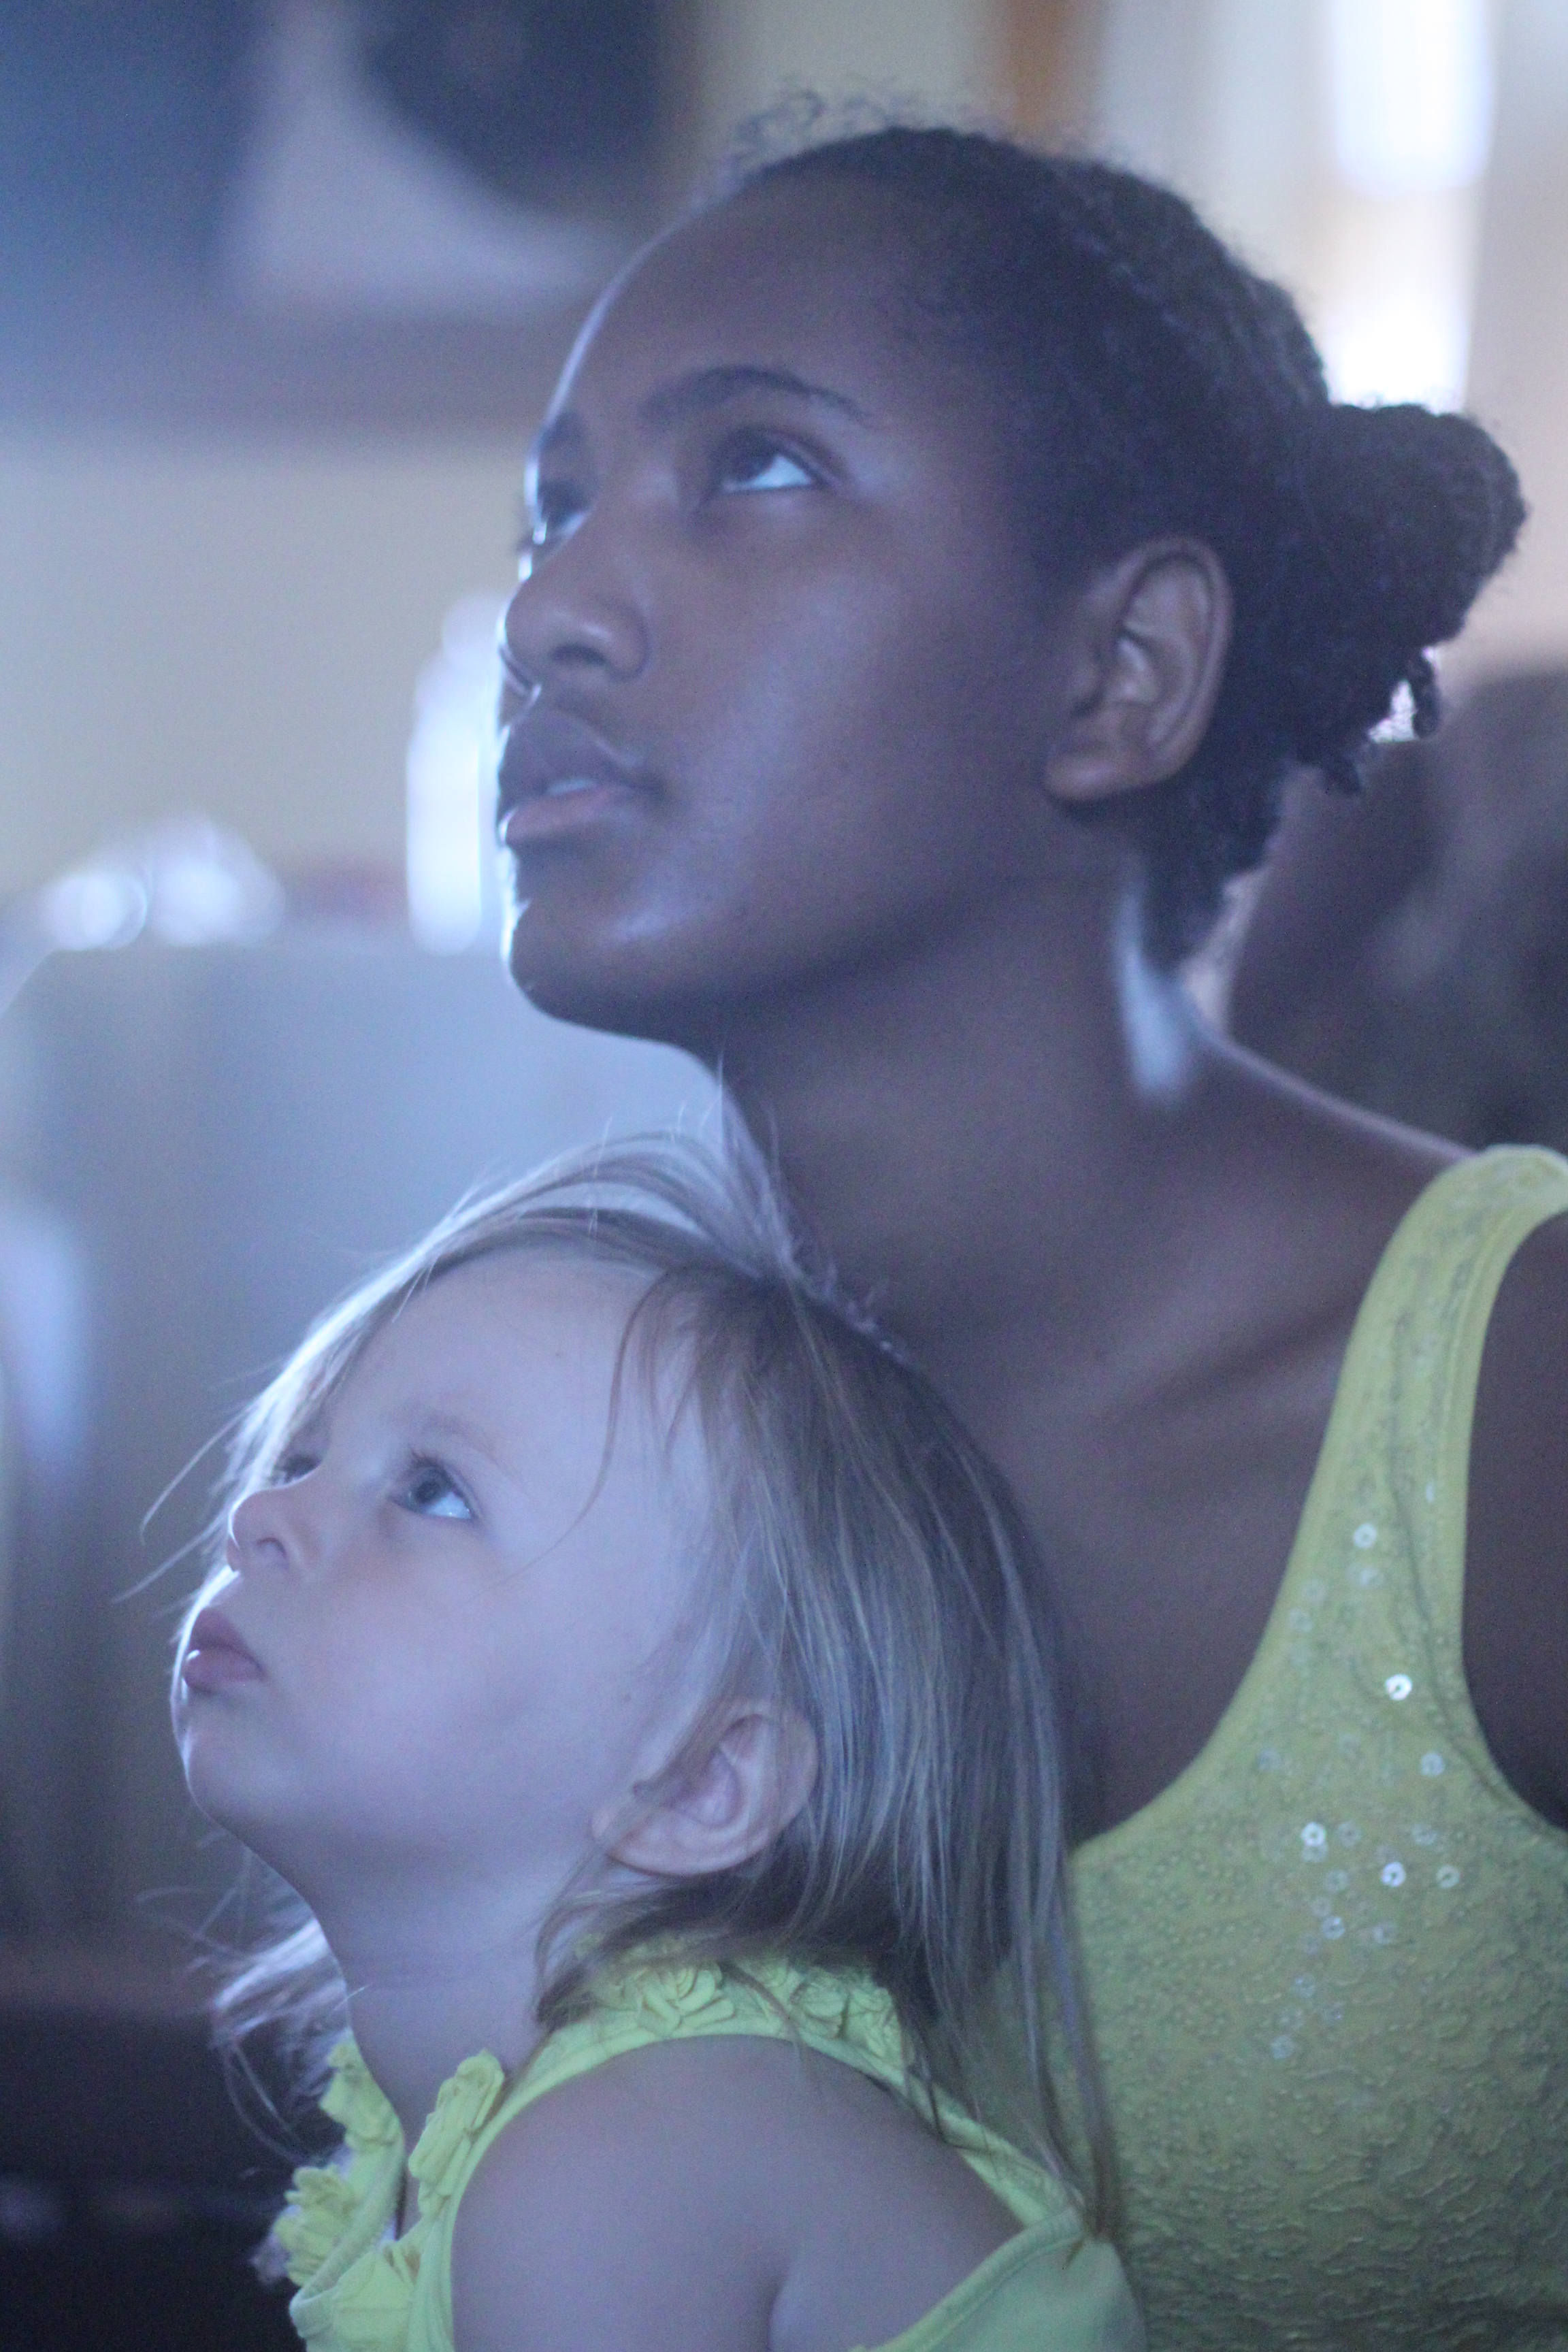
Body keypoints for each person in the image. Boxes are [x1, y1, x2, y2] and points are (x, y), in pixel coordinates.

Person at [492, 119, 1568, 2349]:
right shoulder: (545, 1454)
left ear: (1120, 675)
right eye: (555, 505)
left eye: (757, 467)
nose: (554, 606)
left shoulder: (1518, 1406)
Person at [172, 1141, 1143, 2352]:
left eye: (432, 1492)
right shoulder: (526, 2111)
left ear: (699, 1783)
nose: (261, 1515)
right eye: (301, 1459)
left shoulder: (616, 2165)